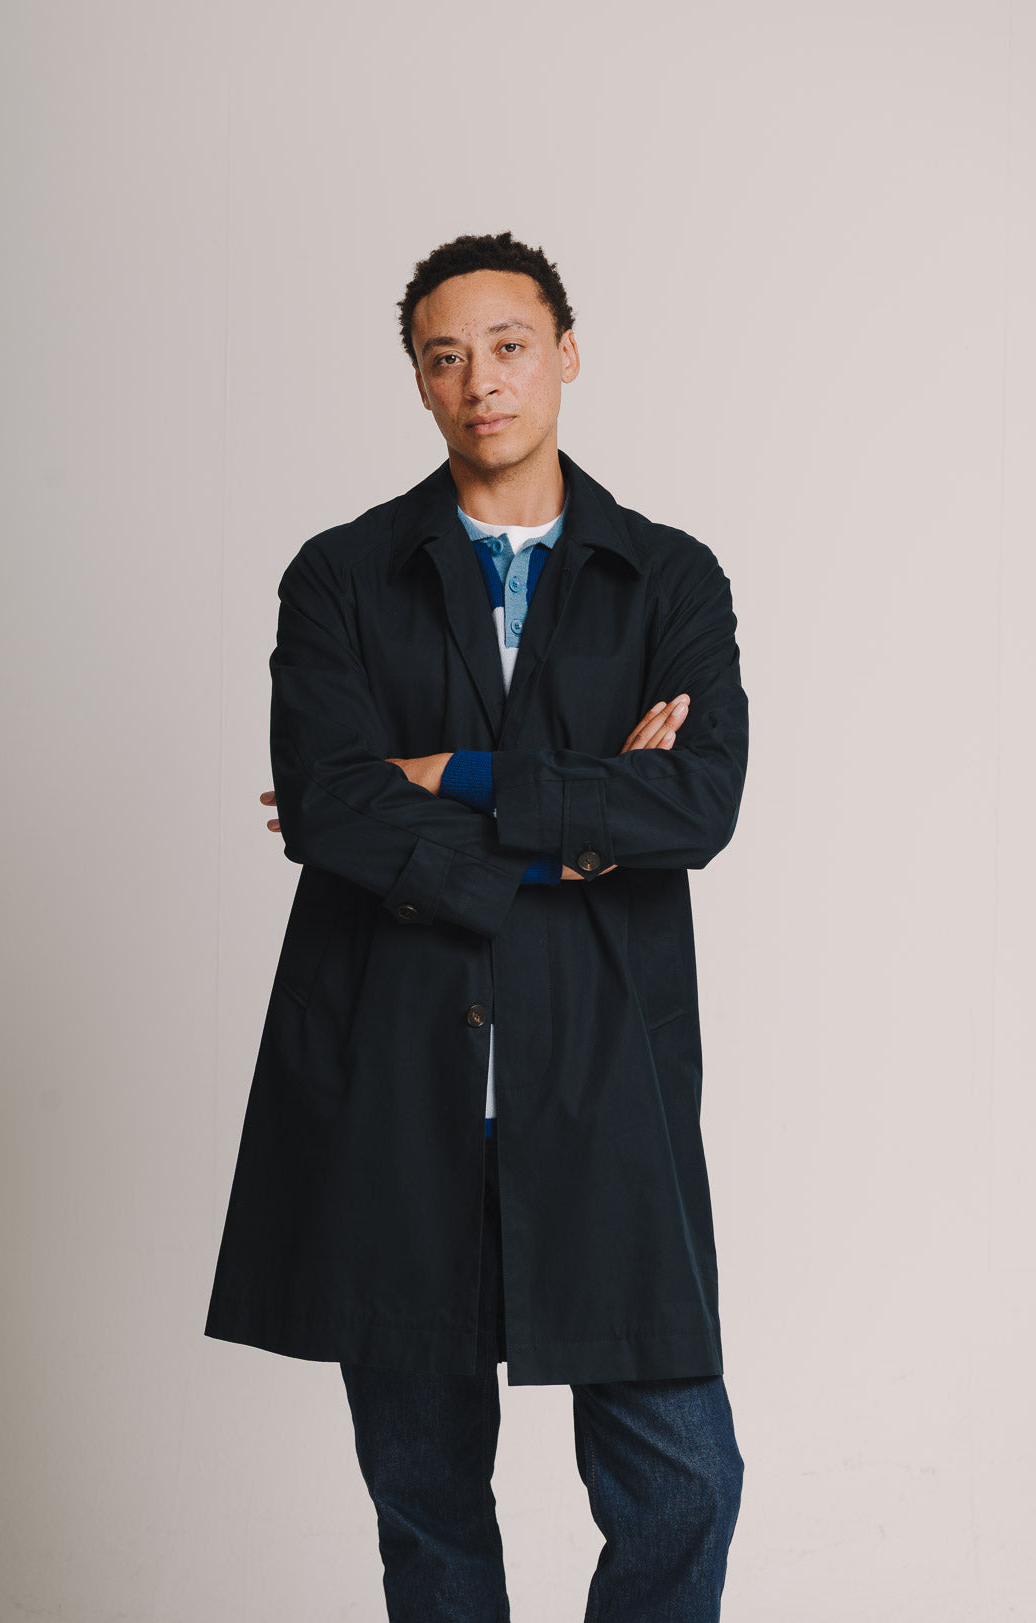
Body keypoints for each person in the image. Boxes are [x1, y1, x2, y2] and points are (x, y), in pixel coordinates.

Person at [205, 230, 750, 1621]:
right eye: (444, 358)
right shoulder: (341, 574)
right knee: (428, 1503)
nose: (480, 382)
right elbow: (332, 807)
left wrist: (455, 774)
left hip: (601, 1081)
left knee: (686, 1480)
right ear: (418, 382)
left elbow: (696, 803)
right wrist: (580, 833)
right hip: (395, 1084)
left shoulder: (668, 576)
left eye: (508, 347)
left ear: (565, 353)